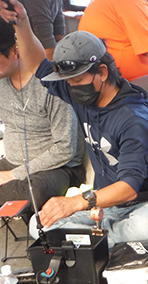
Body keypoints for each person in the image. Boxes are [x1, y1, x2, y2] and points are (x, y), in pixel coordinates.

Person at [1, 1, 148, 249]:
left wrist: (77, 202)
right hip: (104, 206)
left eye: (77, 80)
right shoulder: (81, 92)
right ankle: (102, 241)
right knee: (38, 224)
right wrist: (21, 22)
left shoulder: (132, 117)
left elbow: (129, 188)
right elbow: (36, 65)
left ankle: (94, 242)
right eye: (69, 81)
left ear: (102, 71)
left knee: (143, 226)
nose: (71, 87)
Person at [0, 18, 85, 212]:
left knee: (33, 191)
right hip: (11, 165)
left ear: (15, 50)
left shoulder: (51, 85)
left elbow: (66, 149)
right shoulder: (2, 81)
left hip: (57, 170)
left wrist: (13, 174)